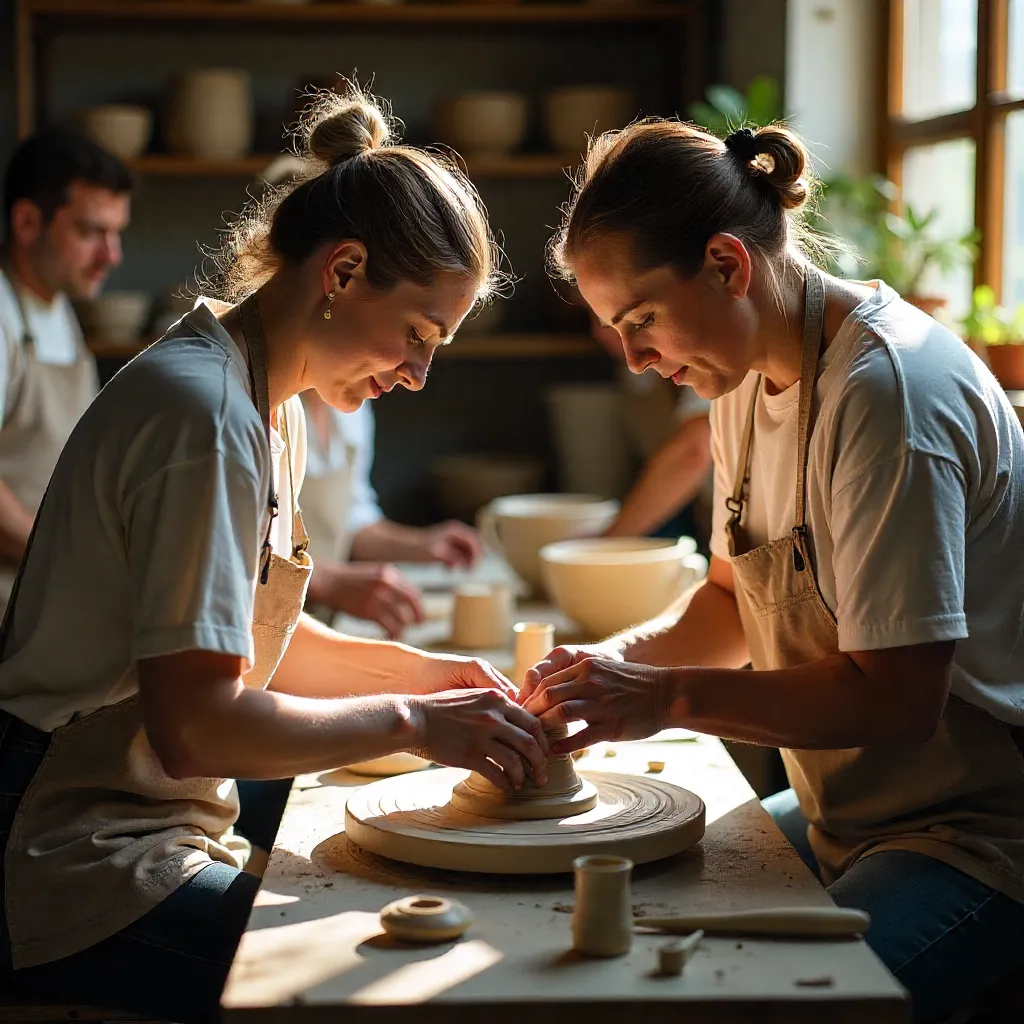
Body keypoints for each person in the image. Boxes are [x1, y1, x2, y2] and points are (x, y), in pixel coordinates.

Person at [0, 89, 547, 1023]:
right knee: (381, 972)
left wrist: (449, 682)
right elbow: (198, 728)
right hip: (71, 847)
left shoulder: (268, 400)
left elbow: (254, 649)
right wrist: (416, 722)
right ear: (342, 270)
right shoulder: (206, 415)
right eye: (417, 335)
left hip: (155, 813)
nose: (417, 375)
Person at [523, 119, 1024, 1022]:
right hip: (850, 815)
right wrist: (597, 673)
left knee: (762, 1007)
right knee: (618, 911)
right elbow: (728, 598)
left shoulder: (887, 394)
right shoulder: (744, 374)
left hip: (975, 833)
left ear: (725, 263)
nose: (635, 357)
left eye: (640, 320)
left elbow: (898, 700)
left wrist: (660, 698)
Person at [0, 128, 131, 614]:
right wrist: (70, 561)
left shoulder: (60, 312)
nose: (111, 256)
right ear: (28, 221)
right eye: (91, 232)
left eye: (117, 233)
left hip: (46, 595)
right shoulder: (3, 313)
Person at [301, 388, 482, 637]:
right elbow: (236, 558)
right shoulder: (252, 401)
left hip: (319, 626)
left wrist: (421, 543)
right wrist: (325, 581)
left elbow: (349, 521)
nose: (417, 379)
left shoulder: (351, 403)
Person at [587, 313, 713, 543]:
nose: (596, 333)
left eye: (604, 320)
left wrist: (605, 543)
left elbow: (693, 453)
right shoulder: (635, 377)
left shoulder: (710, 355)